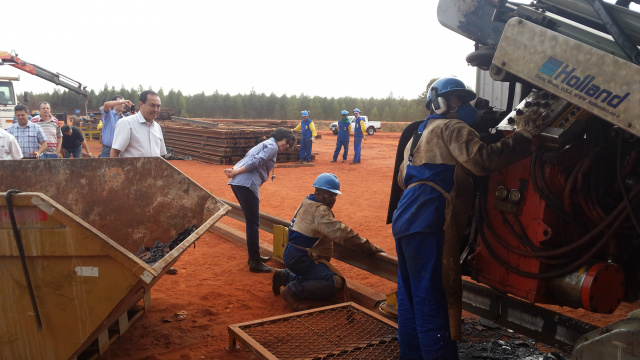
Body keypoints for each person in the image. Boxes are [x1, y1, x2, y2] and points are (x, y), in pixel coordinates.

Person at [389, 77, 551, 359]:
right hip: (431, 219)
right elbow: (482, 161)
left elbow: (404, 178)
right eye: (459, 100)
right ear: (442, 103)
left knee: (411, 296)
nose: (464, 105)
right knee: (433, 297)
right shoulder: (453, 127)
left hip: (407, 217)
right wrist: (523, 136)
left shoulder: (418, 134)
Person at [272, 173, 385, 311]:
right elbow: (343, 234)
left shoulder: (307, 202)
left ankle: (285, 276)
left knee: (313, 274)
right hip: (303, 257)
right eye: (330, 195)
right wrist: (368, 247)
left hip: (292, 252)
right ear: (318, 192)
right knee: (334, 281)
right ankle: (293, 291)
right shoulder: (320, 211)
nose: (333, 199)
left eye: (335, 195)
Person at [225, 127, 296, 273]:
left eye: (290, 144)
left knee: (251, 222)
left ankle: (253, 257)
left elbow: (247, 157)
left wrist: (234, 170)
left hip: (238, 183)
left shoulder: (265, 144)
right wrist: (236, 171)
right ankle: (255, 262)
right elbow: (257, 161)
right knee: (253, 224)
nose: (287, 145)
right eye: (287, 141)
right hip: (247, 184)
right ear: (280, 137)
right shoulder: (272, 146)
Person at [110, 90, 165, 158]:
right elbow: (115, 152)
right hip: (131, 168)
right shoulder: (127, 123)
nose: (156, 110)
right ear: (141, 104)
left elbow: (161, 154)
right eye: (152, 105)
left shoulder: (157, 127)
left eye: (158, 106)